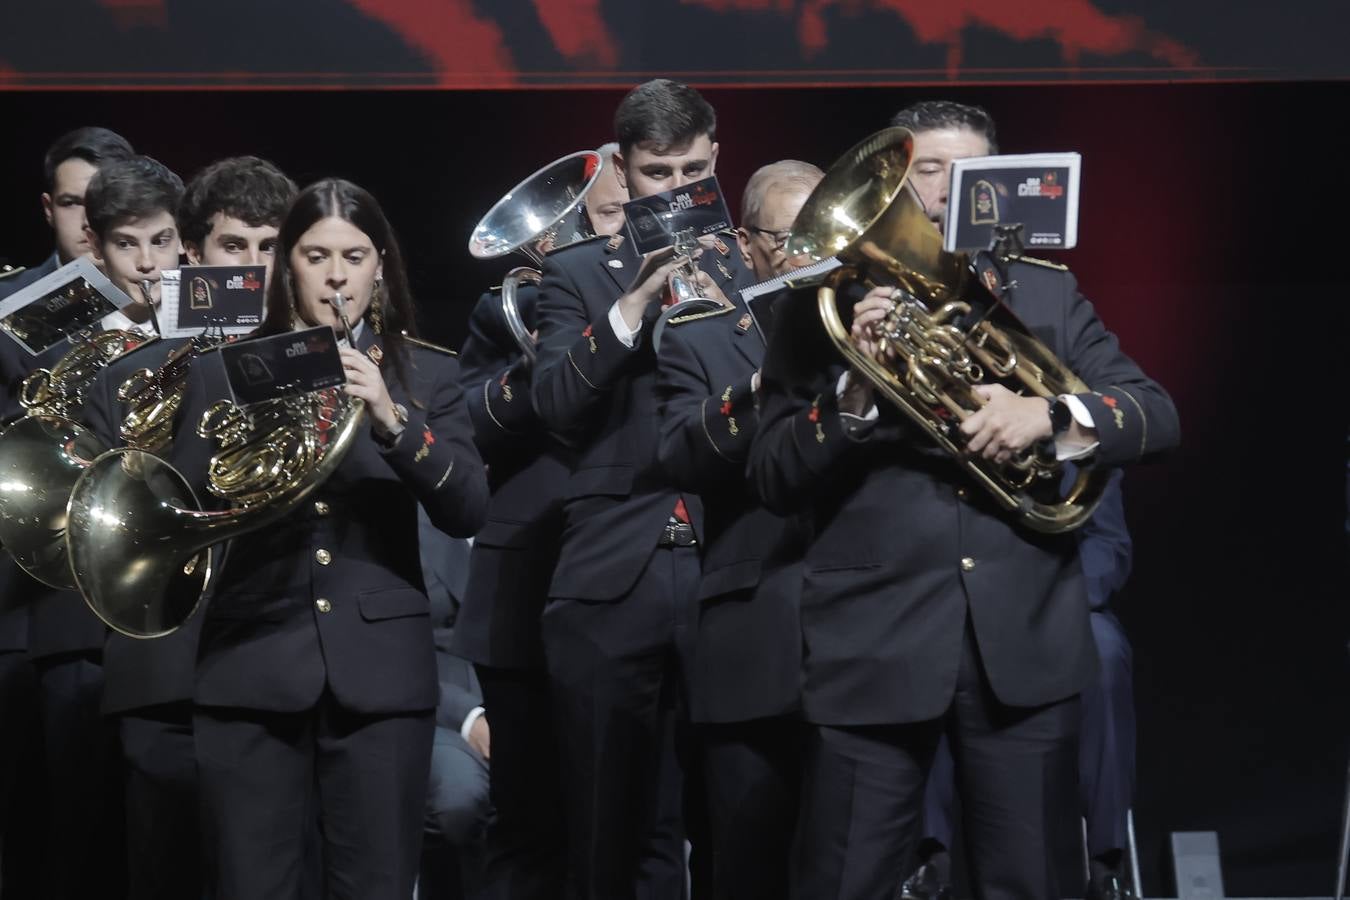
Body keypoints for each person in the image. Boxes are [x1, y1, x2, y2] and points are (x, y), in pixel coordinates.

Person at [745, 100, 1181, 899]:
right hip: (873, 645)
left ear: (997, 186)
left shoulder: (1046, 298)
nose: (946, 192)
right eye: (929, 172)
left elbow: (1155, 413)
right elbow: (773, 475)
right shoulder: (819, 312)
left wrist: (1044, 415)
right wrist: (854, 396)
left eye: (966, 173)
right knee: (847, 880)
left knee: (1031, 882)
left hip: (1021, 646)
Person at [166, 177, 489, 899]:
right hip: (251, 662)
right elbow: (180, 507)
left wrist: (392, 416)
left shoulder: (427, 373)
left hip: (380, 678)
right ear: (287, 266)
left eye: (354, 255)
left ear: (381, 266)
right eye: (316, 255)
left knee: (373, 884)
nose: (336, 273)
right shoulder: (229, 369)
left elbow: (469, 507)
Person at [531, 79, 752, 899]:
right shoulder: (581, 273)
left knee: (739, 815)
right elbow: (553, 403)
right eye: (659, 173)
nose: (678, 190)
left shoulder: (750, 261)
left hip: (732, 568)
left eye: (694, 170)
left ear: (717, 160)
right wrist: (631, 306)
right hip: (612, 576)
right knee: (611, 832)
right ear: (622, 171)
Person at [79, 154, 297, 900]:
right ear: (193, 252)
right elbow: (122, 514)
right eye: (236, 248)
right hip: (167, 671)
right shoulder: (125, 376)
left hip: (284, 671)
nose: (255, 266)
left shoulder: (320, 366)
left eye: (272, 248)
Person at [449, 141, 625, 899]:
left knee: (629, 819)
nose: (614, 230)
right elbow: (470, 422)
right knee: (526, 825)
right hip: (529, 584)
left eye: (624, 215)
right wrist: (558, 352)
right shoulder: (502, 311)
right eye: (608, 213)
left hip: (632, 579)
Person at [654, 159, 822, 899]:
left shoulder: (879, 319)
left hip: (872, 636)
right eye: (786, 241)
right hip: (754, 642)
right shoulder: (700, 337)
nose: (805, 257)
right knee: (748, 868)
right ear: (748, 245)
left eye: (820, 236)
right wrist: (767, 381)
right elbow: (681, 452)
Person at [901, 470, 1140, 900]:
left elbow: (1109, 546)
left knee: (1105, 656)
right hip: (961, 598)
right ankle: (931, 857)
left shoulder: (1082, 438)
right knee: (928, 652)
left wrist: (1049, 603)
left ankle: (1107, 860)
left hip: (1058, 601)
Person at [0, 126, 135, 300]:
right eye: (71, 203)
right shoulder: (6, 303)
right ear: (49, 209)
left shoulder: (169, 300)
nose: (89, 221)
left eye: (105, 203)